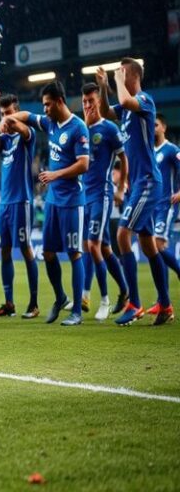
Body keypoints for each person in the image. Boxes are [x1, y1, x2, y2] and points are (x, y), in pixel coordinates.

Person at [5, 81, 89, 326]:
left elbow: (84, 164)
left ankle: (77, 312)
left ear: (60, 101)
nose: (46, 109)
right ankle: (60, 297)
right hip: (53, 200)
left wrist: (55, 175)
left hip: (72, 201)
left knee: (74, 254)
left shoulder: (78, 128)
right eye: (44, 105)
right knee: (48, 252)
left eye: (48, 104)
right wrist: (8, 120)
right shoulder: (50, 122)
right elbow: (28, 116)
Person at [98, 60, 174, 325]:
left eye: (122, 71)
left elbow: (126, 100)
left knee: (122, 234)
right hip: (139, 184)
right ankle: (165, 305)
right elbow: (105, 111)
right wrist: (104, 86)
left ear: (131, 74)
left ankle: (135, 303)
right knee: (147, 243)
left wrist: (118, 81)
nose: (119, 74)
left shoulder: (144, 100)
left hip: (148, 183)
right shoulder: (127, 108)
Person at [77, 83, 129, 321]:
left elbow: (123, 158)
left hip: (102, 194)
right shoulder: (81, 128)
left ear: (99, 101)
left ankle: (104, 301)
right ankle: (124, 290)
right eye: (84, 101)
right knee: (102, 247)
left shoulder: (109, 128)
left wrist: (120, 188)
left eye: (91, 101)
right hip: (84, 196)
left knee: (93, 245)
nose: (87, 105)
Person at [0, 91, 40, 318]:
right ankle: (9, 303)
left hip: (22, 200)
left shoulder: (28, 135)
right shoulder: (6, 140)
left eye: (9, 113)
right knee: (4, 250)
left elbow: (23, 128)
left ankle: (34, 303)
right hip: (5, 204)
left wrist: (10, 121)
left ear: (17, 111)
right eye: (3, 114)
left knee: (26, 247)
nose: (6, 118)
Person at [146, 113, 180, 314]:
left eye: (156, 125)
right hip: (151, 205)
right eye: (151, 125)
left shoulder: (172, 150)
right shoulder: (149, 151)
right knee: (155, 249)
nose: (153, 128)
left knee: (157, 245)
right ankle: (163, 299)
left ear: (164, 127)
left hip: (167, 205)